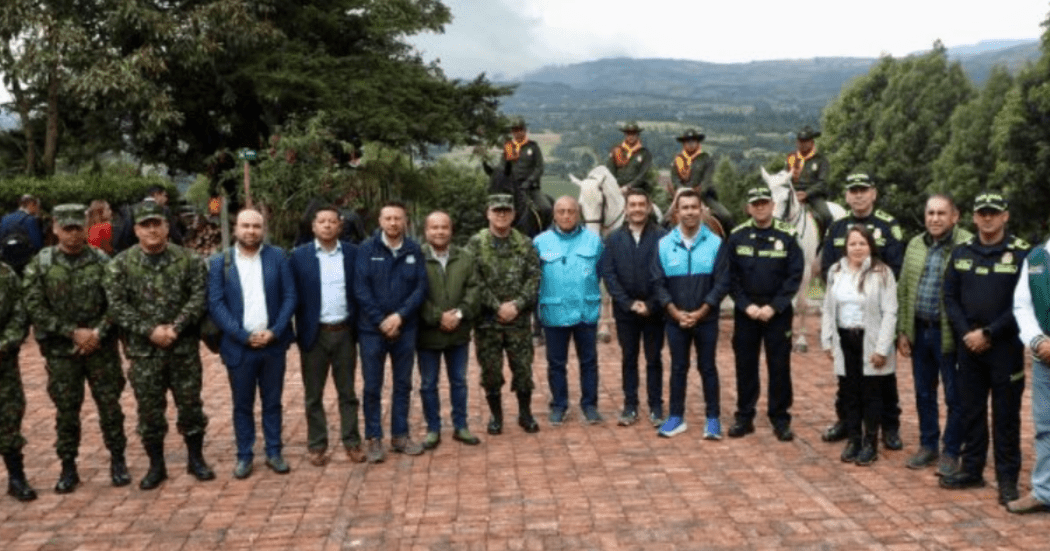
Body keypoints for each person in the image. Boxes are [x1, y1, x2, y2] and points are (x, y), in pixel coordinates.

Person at [105, 200, 215, 490]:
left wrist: (176, 328)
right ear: (136, 230)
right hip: (144, 352)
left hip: (182, 349)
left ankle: (196, 459)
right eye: (145, 225)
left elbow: (198, 297)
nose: (152, 230)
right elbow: (117, 306)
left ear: (167, 227)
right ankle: (157, 466)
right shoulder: (120, 265)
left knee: (191, 406)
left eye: (158, 224)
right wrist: (150, 330)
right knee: (150, 412)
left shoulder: (189, 260)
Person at [22, 204, 129, 493]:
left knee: (110, 407)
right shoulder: (41, 264)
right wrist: (72, 333)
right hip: (61, 351)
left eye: (77, 228)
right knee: (66, 411)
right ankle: (68, 466)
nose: (72, 234)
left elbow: (116, 302)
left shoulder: (103, 261)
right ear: (55, 229)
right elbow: (34, 305)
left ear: (85, 228)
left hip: (100, 348)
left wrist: (97, 333)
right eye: (66, 229)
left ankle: (118, 460)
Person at [940, 192, 1031, 507]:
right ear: (974, 217)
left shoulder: (1021, 254)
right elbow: (949, 296)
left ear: (1005, 216)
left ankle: (1007, 479)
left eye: (994, 213)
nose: (988, 218)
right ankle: (972, 469)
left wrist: (990, 332)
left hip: (1004, 346)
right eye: (982, 213)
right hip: (969, 347)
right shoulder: (961, 252)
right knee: (971, 411)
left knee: (1006, 416)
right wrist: (967, 333)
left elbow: (1025, 303)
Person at [208, 209, 297, 478]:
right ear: (236, 228)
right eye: (245, 225)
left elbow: (290, 296)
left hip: (272, 344)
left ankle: (273, 451)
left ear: (263, 229)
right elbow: (216, 303)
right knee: (242, 404)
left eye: (256, 226)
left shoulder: (277, 257)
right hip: (239, 346)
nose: (251, 231)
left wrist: (276, 331)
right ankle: (244, 455)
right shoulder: (219, 262)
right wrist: (242, 335)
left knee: (272, 402)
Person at [819, 173, 904, 450]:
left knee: (882, 378)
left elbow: (895, 268)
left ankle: (889, 426)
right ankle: (847, 422)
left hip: (876, 314)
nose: (858, 195)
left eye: (863, 190)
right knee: (847, 380)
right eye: (852, 190)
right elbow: (828, 269)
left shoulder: (888, 226)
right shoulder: (836, 228)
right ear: (846, 196)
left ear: (873, 193)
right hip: (847, 316)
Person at [896, 194, 972, 475]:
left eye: (941, 213)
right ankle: (928, 445)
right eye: (930, 213)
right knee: (923, 392)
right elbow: (904, 288)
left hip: (950, 335)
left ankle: (951, 450)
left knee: (955, 395)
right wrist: (903, 330)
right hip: (920, 330)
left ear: (955, 216)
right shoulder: (916, 244)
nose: (935, 219)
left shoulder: (966, 244)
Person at [726, 187, 804, 441]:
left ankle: (780, 418)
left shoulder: (789, 235)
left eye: (764, 203)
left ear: (772, 205)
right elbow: (730, 276)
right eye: (754, 204)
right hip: (746, 311)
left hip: (777, 311)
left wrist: (775, 306)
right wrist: (745, 305)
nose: (760, 207)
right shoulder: (737, 236)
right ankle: (744, 416)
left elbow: (794, 276)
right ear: (748, 208)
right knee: (745, 365)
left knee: (779, 366)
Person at [651, 189, 729, 439]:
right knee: (678, 367)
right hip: (675, 320)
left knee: (707, 367)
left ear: (702, 210)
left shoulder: (716, 243)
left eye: (694, 207)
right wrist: (674, 312)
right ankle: (676, 417)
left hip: (706, 319)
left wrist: (701, 311)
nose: (690, 212)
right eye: (684, 208)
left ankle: (713, 419)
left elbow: (722, 282)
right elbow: (657, 283)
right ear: (677, 212)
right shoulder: (663, 244)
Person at [290, 206, 364, 466]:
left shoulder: (353, 254)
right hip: (314, 334)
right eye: (322, 221)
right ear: (313, 226)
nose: (327, 226)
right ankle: (317, 444)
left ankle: (352, 442)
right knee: (313, 395)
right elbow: (292, 296)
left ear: (340, 226)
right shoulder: (299, 256)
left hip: (344, 332)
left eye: (332, 221)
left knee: (347, 393)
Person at [355, 201, 428, 462]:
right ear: (380, 220)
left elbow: (420, 288)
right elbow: (361, 290)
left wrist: (399, 316)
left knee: (403, 384)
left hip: (405, 329)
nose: (393, 223)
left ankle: (400, 435)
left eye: (398, 218)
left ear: (405, 220)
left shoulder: (414, 250)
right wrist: (381, 320)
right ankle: (374, 438)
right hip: (371, 331)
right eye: (388, 218)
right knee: (372, 385)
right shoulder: (366, 250)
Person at [467, 194, 541, 436]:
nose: (501, 215)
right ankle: (496, 416)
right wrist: (497, 306)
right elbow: (473, 280)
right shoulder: (476, 243)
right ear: (488, 213)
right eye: (496, 211)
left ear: (513, 214)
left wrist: (517, 305)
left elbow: (534, 277)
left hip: (518, 321)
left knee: (522, 368)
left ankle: (525, 413)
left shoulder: (525, 243)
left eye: (506, 211)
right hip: (487, 321)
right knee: (490, 370)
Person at [534, 196, 604, 425]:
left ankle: (590, 405)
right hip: (555, 311)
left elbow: (602, 272)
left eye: (571, 211)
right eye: (561, 211)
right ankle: (559, 404)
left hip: (586, 310)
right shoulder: (540, 242)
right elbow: (534, 277)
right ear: (554, 214)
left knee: (589, 361)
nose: (566, 216)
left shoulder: (594, 241)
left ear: (579, 214)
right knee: (556, 363)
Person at [602, 189, 666, 427]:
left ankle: (656, 406)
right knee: (629, 358)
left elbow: (666, 273)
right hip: (625, 311)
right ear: (626, 209)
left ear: (648, 208)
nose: (637, 209)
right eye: (633, 205)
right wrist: (628, 303)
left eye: (641, 204)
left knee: (653, 359)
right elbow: (609, 274)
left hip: (654, 310)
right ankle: (630, 406)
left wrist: (651, 304)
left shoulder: (663, 236)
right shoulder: (614, 239)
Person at [417, 211, 481, 448]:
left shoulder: (465, 257)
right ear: (426, 231)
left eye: (444, 227)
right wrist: (437, 316)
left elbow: (474, 290)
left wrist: (459, 314)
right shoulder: (416, 257)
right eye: (434, 227)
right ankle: (433, 429)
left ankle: (460, 426)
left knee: (459, 381)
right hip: (427, 334)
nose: (439, 232)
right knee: (428, 384)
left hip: (458, 333)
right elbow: (415, 294)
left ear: (451, 231)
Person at [1007, 229, 1050, 514]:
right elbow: (1022, 305)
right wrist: (1037, 340)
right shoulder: (1036, 258)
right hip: (1045, 356)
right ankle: (1044, 491)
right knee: (1045, 426)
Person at [0, 260, 35, 502]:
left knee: (9, 418)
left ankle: (16, 477)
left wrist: (4, 345)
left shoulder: (5, 273)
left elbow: (20, 314)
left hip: (2, 362)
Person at [671, 128, 733, 233]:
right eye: (687, 141)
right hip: (681, 196)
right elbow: (675, 179)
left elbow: (707, 180)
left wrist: (698, 191)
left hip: (704, 196)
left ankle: (731, 244)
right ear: (683, 144)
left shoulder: (706, 158)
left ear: (698, 142)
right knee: (663, 219)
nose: (690, 144)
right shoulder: (678, 160)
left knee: (726, 216)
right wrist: (681, 190)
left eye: (693, 141)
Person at [786, 125, 833, 238]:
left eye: (806, 141)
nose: (802, 144)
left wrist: (807, 193)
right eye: (800, 141)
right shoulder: (791, 158)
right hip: (793, 194)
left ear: (812, 142)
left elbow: (822, 183)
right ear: (797, 142)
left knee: (826, 216)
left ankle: (826, 241)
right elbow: (785, 178)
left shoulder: (821, 160)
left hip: (813, 196)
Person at [503, 117, 550, 223]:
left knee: (546, 208)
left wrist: (528, 182)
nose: (517, 133)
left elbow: (539, 168)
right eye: (515, 130)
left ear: (524, 130)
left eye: (519, 130)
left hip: (531, 188)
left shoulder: (533, 147)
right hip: (512, 188)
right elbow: (505, 168)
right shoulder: (509, 147)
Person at [0, 194, 43, 274]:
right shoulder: (30, 220)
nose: (38, 210)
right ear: (31, 204)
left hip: (7, 262)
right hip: (25, 264)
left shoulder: (4, 218)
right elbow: (37, 244)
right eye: (37, 206)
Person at [606, 121, 653, 195]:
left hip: (637, 189)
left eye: (633, 134)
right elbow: (610, 171)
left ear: (638, 135)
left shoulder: (644, 153)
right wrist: (616, 186)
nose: (631, 136)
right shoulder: (616, 151)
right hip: (617, 188)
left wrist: (629, 186)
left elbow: (643, 174)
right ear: (625, 135)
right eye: (628, 134)